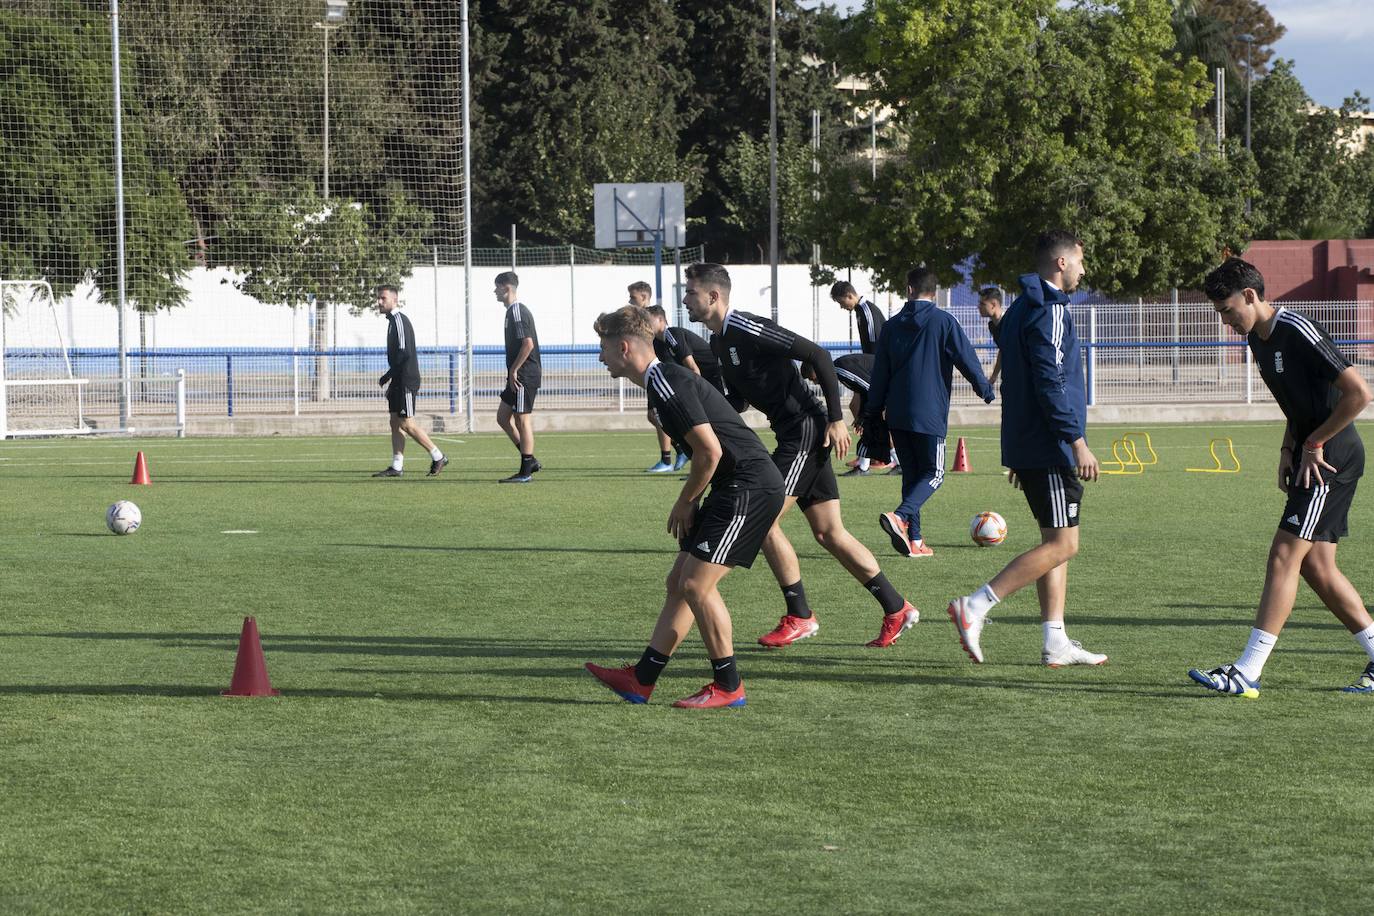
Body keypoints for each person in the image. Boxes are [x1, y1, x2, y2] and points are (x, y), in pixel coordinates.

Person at [687, 263, 919, 649]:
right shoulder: (718, 343)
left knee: (761, 518)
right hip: (794, 433)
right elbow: (740, 400)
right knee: (830, 532)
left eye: (690, 292)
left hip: (806, 430)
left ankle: (800, 615)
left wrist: (835, 418)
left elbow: (818, 355)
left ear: (713, 296)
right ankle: (896, 608)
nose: (684, 299)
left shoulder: (746, 327)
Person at [1188, 258, 1374, 697]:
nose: (1225, 321)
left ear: (1250, 296)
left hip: (1333, 457)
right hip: (1312, 454)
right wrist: (1289, 448)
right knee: (1317, 568)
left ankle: (1247, 671)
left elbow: (1358, 393)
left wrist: (1313, 445)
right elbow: (1298, 404)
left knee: (1283, 556)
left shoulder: (1297, 330)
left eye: (1228, 310)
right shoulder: (1256, 338)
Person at [585, 305, 785, 708]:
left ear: (624, 347)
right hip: (733, 484)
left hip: (750, 485)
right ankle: (640, 680)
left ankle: (729, 686)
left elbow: (709, 452)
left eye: (603, 348)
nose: (601, 357)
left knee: (696, 584)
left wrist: (685, 502)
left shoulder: (666, 383)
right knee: (679, 582)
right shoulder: (662, 382)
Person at [945, 230, 1106, 667]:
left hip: (1031, 443)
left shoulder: (1018, 310)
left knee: (1054, 541)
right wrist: (1076, 441)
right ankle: (974, 606)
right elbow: (1049, 381)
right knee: (1064, 545)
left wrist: (1017, 449)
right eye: (1080, 261)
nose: (1083, 270)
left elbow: (1015, 382)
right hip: (1050, 444)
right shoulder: (1048, 310)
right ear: (1061, 263)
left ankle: (1055, 642)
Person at [867, 267, 995, 557]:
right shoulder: (943, 321)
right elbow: (967, 359)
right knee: (935, 473)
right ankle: (900, 517)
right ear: (934, 293)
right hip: (929, 412)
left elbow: (880, 374)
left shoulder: (891, 325)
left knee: (912, 476)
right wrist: (985, 390)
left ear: (908, 289)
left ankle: (915, 540)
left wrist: (872, 411)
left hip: (897, 414)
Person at [371, 285, 448, 478]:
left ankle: (438, 456)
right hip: (398, 378)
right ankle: (397, 466)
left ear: (395, 300)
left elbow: (404, 352)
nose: (379, 302)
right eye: (378, 298)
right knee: (395, 422)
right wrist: (391, 378)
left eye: (383, 298)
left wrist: (389, 374)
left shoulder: (399, 320)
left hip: (406, 379)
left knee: (407, 423)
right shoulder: (391, 321)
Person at [643, 300, 704, 473]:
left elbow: (693, 368)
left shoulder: (672, 334)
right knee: (662, 417)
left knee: (706, 428)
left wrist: (696, 397)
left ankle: (702, 467)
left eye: (649, 321)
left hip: (713, 381)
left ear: (661, 319)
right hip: (702, 384)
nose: (646, 325)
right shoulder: (658, 341)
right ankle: (691, 460)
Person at [494, 271, 541, 483]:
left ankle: (525, 472)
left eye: (497, 287)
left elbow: (528, 344)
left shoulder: (517, 312)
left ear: (507, 288)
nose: (494, 291)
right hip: (515, 375)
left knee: (522, 419)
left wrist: (514, 370)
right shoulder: (510, 312)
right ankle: (530, 459)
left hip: (523, 374)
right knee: (503, 417)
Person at [833, 353, 893, 477]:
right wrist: (862, 416)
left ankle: (864, 466)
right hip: (884, 385)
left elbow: (871, 389)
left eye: (813, 379)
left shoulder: (841, 370)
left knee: (876, 425)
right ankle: (865, 465)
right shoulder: (840, 370)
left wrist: (864, 416)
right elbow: (865, 390)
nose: (816, 383)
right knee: (872, 426)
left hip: (893, 382)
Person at [830, 280, 886, 355]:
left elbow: (875, 343)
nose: (841, 307)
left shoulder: (866, 310)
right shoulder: (859, 310)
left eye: (842, 302)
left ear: (850, 296)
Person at [977, 286, 1005, 387]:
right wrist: (994, 376)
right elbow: (1003, 350)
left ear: (993, 304)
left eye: (982, 304)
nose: (978, 307)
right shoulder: (992, 326)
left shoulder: (1010, 322)